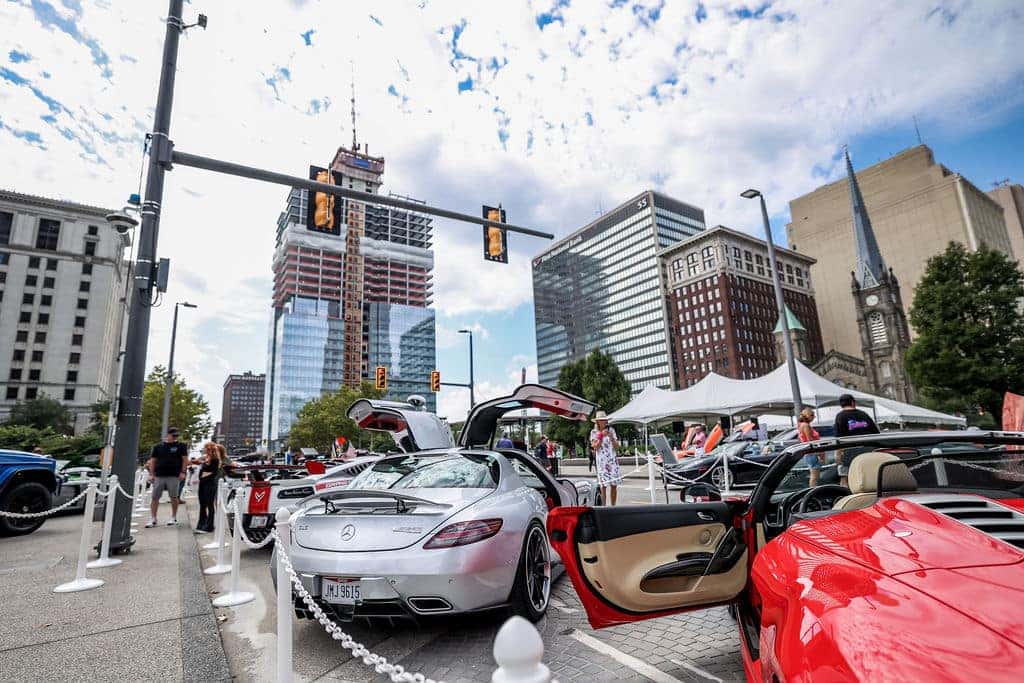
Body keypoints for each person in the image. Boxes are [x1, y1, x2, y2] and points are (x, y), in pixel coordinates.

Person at [833, 394, 879, 487]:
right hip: (867, 451)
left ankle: (847, 496)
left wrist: (838, 454)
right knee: (869, 476)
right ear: (853, 402)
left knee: (845, 478)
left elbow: (839, 437)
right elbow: (876, 433)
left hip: (849, 452)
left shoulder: (840, 416)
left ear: (841, 405)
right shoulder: (864, 414)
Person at [146, 427, 189, 527]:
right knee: (155, 497)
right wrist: (151, 474)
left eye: (176, 435)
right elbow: (153, 461)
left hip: (174, 475)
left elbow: (185, 460)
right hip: (159, 475)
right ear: (167, 435)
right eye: (173, 435)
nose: (175, 437)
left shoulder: (181, 446)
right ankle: (153, 518)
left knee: (174, 496)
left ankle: (173, 517)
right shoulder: (158, 447)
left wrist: (183, 472)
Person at [590, 411, 622, 506]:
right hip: (602, 462)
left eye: (605, 420)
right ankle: (604, 507)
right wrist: (601, 436)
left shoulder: (611, 430)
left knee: (614, 485)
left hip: (612, 461)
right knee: (603, 486)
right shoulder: (594, 432)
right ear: (597, 422)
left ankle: (613, 506)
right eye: (602, 420)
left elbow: (617, 447)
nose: (604, 422)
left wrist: (611, 437)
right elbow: (595, 447)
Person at [195, 442, 221, 533]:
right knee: (202, 504)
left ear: (210, 449)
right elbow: (197, 461)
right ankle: (201, 524)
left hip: (209, 484)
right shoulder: (206, 458)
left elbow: (213, 472)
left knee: (210, 504)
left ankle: (209, 526)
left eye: (205, 448)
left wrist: (204, 472)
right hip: (202, 483)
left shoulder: (215, 460)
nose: (204, 450)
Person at [797, 408, 825, 487]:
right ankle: (812, 492)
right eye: (812, 415)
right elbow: (811, 441)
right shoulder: (806, 425)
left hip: (809, 453)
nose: (814, 417)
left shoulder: (801, 425)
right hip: (812, 453)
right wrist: (820, 452)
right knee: (815, 477)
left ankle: (812, 491)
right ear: (807, 415)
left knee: (814, 476)